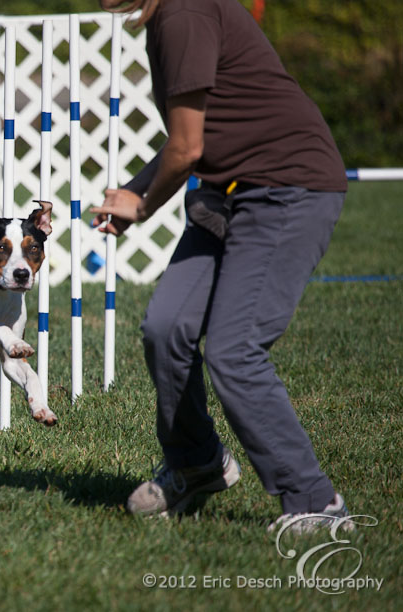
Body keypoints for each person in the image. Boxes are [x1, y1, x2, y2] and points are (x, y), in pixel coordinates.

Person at [91, 0, 352, 533]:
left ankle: (315, 503)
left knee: (235, 352)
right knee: (166, 329)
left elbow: (187, 149)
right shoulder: (166, 18)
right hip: (225, 195)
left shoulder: (184, 12)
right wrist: (135, 190)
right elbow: (195, 138)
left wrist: (141, 207)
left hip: (286, 190)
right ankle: (197, 463)